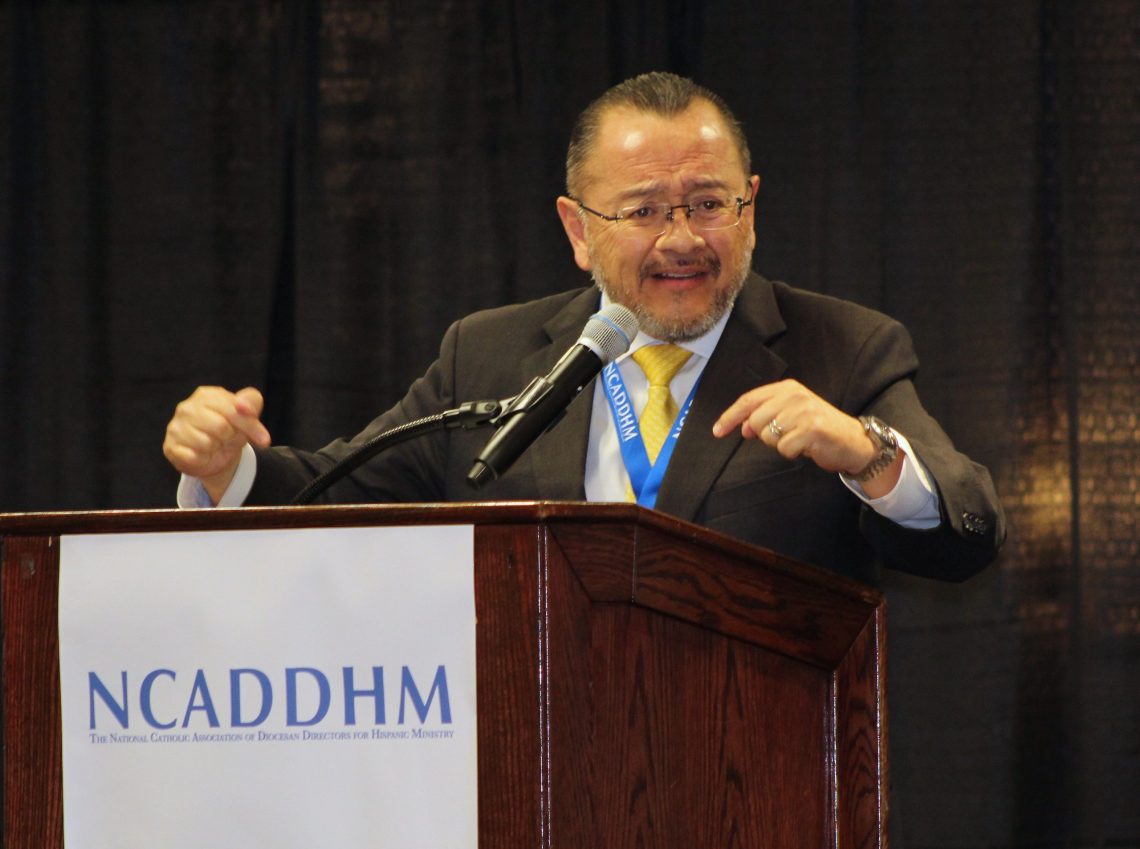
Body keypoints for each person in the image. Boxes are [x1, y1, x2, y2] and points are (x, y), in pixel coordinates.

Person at [164, 71, 1004, 584]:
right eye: (643, 210)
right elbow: (331, 497)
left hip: (755, 777)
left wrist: (867, 453)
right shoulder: (487, 356)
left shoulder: (843, 349)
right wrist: (228, 467)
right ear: (577, 229)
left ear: (751, 207)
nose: (682, 238)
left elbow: (965, 534)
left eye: (709, 203)